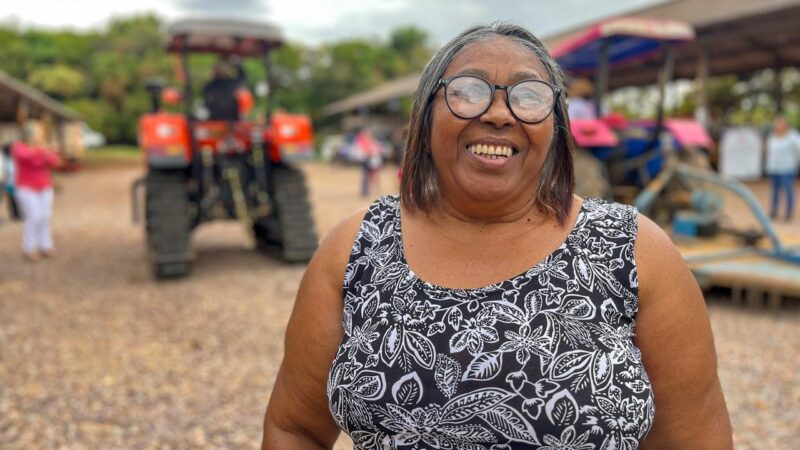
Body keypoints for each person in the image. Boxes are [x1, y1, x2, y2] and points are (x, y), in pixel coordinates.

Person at [263, 23, 731, 449]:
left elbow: (696, 439)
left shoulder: (633, 251)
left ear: (555, 124)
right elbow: (294, 429)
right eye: (469, 91)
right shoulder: (356, 247)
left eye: (529, 96)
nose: (500, 114)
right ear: (426, 116)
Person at [12, 124, 61, 261]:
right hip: (26, 187)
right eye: (38, 133)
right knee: (34, 216)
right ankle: (29, 248)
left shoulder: (40, 148)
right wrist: (43, 152)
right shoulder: (19, 147)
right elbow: (27, 157)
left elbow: (54, 161)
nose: (40, 136)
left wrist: (43, 153)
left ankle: (46, 245)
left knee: (45, 217)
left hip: (44, 186)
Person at [765, 115, 800, 221]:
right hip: (774, 169)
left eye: (780, 124)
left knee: (788, 191)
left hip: (787, 169)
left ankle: (789, 213)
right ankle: (774, 212)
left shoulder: (793, 137)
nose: (777, 126)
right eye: (776, 124)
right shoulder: (772, 137)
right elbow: (769, 153)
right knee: (775, 192)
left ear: (785, 125)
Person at [202, 56, 246, 121]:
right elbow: (243, 76)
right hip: (223, 118)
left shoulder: (210, 86)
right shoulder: (211, 86)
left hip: (224, 118)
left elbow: (242, 77)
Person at [355, 128, 383, 197]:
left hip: (375, 161)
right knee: (370, 176)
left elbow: (378, 151)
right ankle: (370, 190)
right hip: (370, 161)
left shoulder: (375, 142)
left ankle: (375, 190)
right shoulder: (368, 142)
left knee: (375, 176)